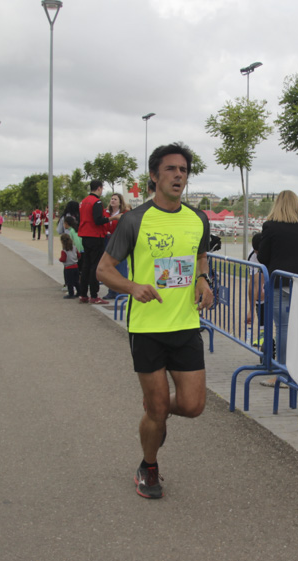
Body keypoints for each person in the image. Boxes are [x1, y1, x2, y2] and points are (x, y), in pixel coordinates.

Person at [96, 142, 213, 500]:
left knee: (192, 406)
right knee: (159, 406)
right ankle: (148, 467)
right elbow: (103, 270)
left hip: (185, 325)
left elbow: (200, 255)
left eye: (183, 170)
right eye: (171, 169)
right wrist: (132, 286)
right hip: (147, 329)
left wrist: (202, 280)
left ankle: (156, 411)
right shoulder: (135, 220)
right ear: (154, 176)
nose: (179, 175)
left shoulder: (198, 219)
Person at [257, 190, 298, 386]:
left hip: (279, 282)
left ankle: (282, 373)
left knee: (283, 329)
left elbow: (262, 257)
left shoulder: (270, 226)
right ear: (297, 204)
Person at [78, 179, 110, 305]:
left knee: (86, 265)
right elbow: (98, 220)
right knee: (94, 266)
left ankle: (83, 294)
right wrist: (110, 218)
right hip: (95, 236)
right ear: (99, 188)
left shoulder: (83, 202)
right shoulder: (96, 202)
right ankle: (94, 295)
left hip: (85, 235)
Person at [102, 192, 132, 300]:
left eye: (115, 199)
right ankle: (111, 291)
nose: (112, 201)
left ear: (120, 202)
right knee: (109, 266)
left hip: (120, 241)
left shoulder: (125, 213)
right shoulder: (106, 213)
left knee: (120, 266)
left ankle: (121, 291)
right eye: (112, 199)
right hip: (107, 240)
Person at [59, 233, 80, 299]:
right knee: (76, 281)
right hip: (75, 266)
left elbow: (63, 259)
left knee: (69, 282)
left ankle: (71, 293)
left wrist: (60, 259)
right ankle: (79, 292)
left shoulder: (64, 251)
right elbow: (79, 255)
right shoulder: (74, 248)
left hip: (68, 268)